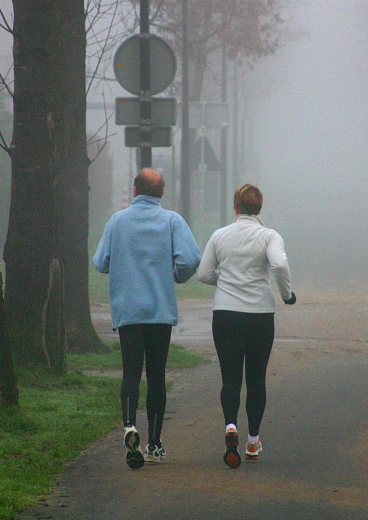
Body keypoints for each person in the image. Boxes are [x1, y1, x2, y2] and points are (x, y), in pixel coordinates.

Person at [93, 168, 200, 469]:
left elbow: (101, 262)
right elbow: (191, 258)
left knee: (130, 372)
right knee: (156, 375)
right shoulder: (172, 221)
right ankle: (154, 442)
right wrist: (177, 274)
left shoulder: (117, 221)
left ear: (135, 189)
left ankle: (129, 425)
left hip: (128, 311)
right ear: (162, 193)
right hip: (159, 311)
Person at [197, 184, 296, 468]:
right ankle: (253, 441)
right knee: (256, 379)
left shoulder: (219, 236)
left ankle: (230, 427)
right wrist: (287, 295)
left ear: (236, 207)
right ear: (259, 208)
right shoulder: (269, 236)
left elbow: (203, 274)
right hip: (259, 315)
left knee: (230, 378)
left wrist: (227, 281)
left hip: (226, 314)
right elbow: (279, 265)